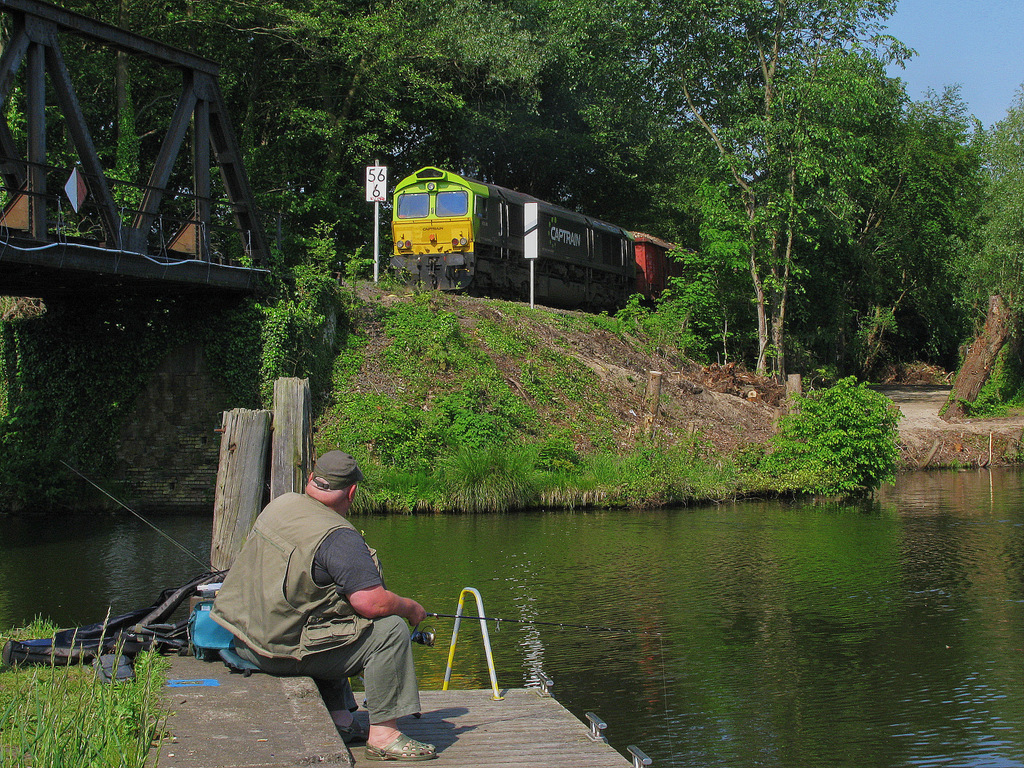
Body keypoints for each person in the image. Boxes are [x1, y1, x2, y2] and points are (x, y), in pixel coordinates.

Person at [211, 450, 437, 761]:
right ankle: (385, 734)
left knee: (336, 617)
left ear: (311, 480)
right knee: (390, 629)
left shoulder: (281, 505)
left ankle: (341, 719)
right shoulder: (339, 537)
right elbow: (372, 603)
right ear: (352, 492)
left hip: (245, 640)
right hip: (278, 653)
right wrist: (411, 608)